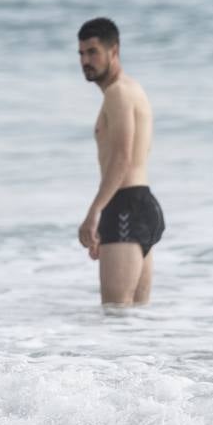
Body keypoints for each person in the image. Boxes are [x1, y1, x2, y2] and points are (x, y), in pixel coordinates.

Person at [76, 17, 163, 305]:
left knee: (115, 317)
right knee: (133, 326)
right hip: (141, 205)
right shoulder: (131, 89)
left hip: (125, 205)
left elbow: (123, 158)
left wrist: (94, 214)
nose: (85, 60)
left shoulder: (118, 93)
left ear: (114, 51)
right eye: (81, 54)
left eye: (93, 52)